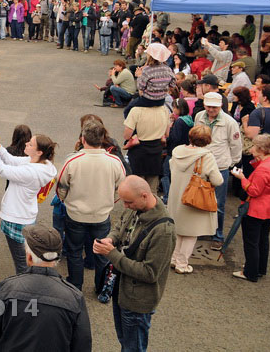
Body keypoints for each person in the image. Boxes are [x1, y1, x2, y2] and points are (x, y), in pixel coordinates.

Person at [93, 176, 176, 352]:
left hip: (138, 301)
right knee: (125, 341)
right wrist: (110, 239)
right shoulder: (134, 208)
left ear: (144, 196)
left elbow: (150, 273)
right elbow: (119, 227)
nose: (125, 206)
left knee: (133, 348)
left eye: (128, 202)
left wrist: (111, 254)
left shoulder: (164, 231)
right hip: (121, 290)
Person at [0, 225, 92, 352]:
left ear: (29, 257)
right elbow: (83, 344)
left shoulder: (6, 288)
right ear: (57, 258)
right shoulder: (74, 297)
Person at [57, 121, 126, 291]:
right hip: (102, 214)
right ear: (102, 139)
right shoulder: (114, 161)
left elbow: (61, 187)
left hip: (75, 214)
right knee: (102, 252)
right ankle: (101, 286)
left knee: (74, 251)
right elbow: (122, 188)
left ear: (83, 138)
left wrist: (67, 201)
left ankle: (75, 285)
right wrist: (110, 200)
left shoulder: (72, 160)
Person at [0, 126, 58, 274]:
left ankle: (24, 289)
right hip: (24, 215)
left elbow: (0, 169)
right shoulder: (42, 163)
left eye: (30, 144)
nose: (26, 144)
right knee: (25, 257)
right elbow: (11, 160)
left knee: (21, 263)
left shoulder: (31, 172)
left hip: (16, 217)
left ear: (39, 152)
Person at [167, 125, 224, 274]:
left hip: (176, 195)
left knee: (179, 230)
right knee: (191, 233)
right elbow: (217, 180)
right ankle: (182, 263)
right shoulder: (206, 156)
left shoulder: (178, 151)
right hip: (193, 199)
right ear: (208, 140)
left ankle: (173, 259)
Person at [231, 133, 270, 281]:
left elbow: (253, 190)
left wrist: (242, 178)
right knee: (263, 239)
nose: (252, 148)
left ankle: (250, 272)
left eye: (254, 146)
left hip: (257, 208)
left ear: (261, 149)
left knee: (251, 242)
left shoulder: (264, 169)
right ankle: (260, 268)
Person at [194, 91, 243, 250]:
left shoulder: (230, 122)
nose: (210, 110)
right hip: (201, 164)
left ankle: (218, 235)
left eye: (214, 107)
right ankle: (202, 230)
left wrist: (232, 163)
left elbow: (236, 145)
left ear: (220, 106)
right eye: (208, 106)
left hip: (220, 166)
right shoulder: (199, 116)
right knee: (199, 199)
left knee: (219, 204)